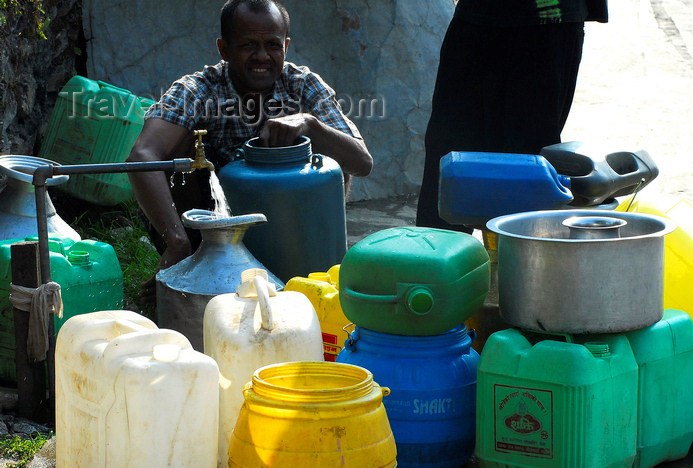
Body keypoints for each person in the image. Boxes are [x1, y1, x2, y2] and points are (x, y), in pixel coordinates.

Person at [127, 0, 373, 286]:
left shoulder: (302, 85)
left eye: (272, 45)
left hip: (293, 226)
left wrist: (310, 124)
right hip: (213, 231)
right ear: (224, 49)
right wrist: (177, 241)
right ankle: (193, 262)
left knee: (331, 156)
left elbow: (362, 162)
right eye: (247, 46)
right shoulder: (197, 89)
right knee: (182, 147)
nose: (261, 56)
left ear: (286, 46)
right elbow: (142, 156)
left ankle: (316, 258)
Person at [416, 0, 608, 232]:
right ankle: (439, 257)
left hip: (547, 18)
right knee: (450, 151)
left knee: (528, 161)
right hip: (478, 17)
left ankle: (524, 261)